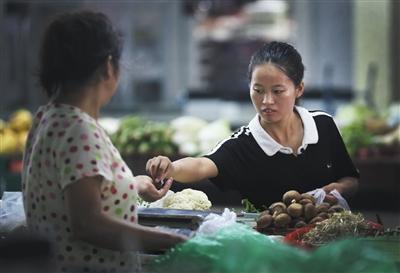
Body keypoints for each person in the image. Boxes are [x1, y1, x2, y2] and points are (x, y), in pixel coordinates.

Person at [21, 10, 186, 273]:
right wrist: (174, 240)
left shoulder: (48, 117)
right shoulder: (80, 130)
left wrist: (132, 185)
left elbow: (72, 190)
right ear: (109, 67)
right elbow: (88, 223)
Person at [146, 41, 359, 209]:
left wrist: (340, 188)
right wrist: (171, 168)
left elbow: (350, 178)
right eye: (258, 90)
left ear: (299, 89)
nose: (266, 101)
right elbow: (202, 165)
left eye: (277, 91)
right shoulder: (243, 145)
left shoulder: (323, 125)